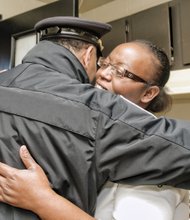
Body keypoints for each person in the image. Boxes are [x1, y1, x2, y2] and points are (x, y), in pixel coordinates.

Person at [0, 16, 190, 219]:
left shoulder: (149, 152)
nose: (103, 74)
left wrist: (44, 200)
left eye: (121, 71)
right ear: (90, 55)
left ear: (149, 93)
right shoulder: (90, 114)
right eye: (105, 63)